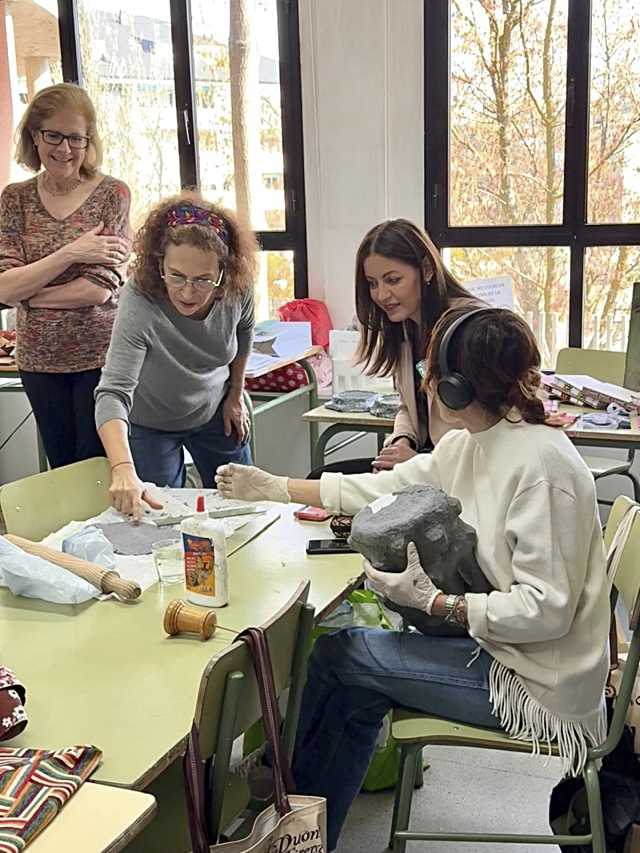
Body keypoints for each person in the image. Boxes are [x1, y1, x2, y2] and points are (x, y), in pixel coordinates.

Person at [216, 307, 610, 850]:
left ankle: (288, 815)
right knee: (350, 682)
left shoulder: (542, 469)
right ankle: (300, 824)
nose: (423, 386)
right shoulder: (475, 440)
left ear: (454, 388)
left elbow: (548, 610)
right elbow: (389, 488)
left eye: (431, 374)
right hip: (502, 649)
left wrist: (442, 603)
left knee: (341, 657)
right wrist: (277, 487)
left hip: (539, 683)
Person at [95, 193, 257, 521]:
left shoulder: (238, 290)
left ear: (223, 274)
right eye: (177, 276)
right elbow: (112, 392)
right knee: (160, 520)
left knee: (244, 505)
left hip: (214, 412)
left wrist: (236, 397)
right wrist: (123, 469)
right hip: (150, 424)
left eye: (202, 280)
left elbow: (243, 334)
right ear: (159, 265)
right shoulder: (140, 299)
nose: (187, 292)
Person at [0, 83, 131, 468]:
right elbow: (4, 287)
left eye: (76, 137)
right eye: (53, 136)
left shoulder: (112, 194)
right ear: (34, 136)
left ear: (89, 140)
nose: (64, 149)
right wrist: (73, 252)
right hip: (39, 361)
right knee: (63, 471)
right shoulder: (14, 199)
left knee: (100, 468)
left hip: (102, 357)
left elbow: (98, 290)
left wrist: (30, 292)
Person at [354, 218, 484, 471]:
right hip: (427, 462)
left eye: (393, 280)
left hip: (461, 473)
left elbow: (486, 432)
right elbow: (408, 404)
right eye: (372, 283)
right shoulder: (405, 326)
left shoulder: (469, 330)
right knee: (323, 478)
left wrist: (419, 464)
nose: (381, 295)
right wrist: (402, 440)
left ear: (426, 270)